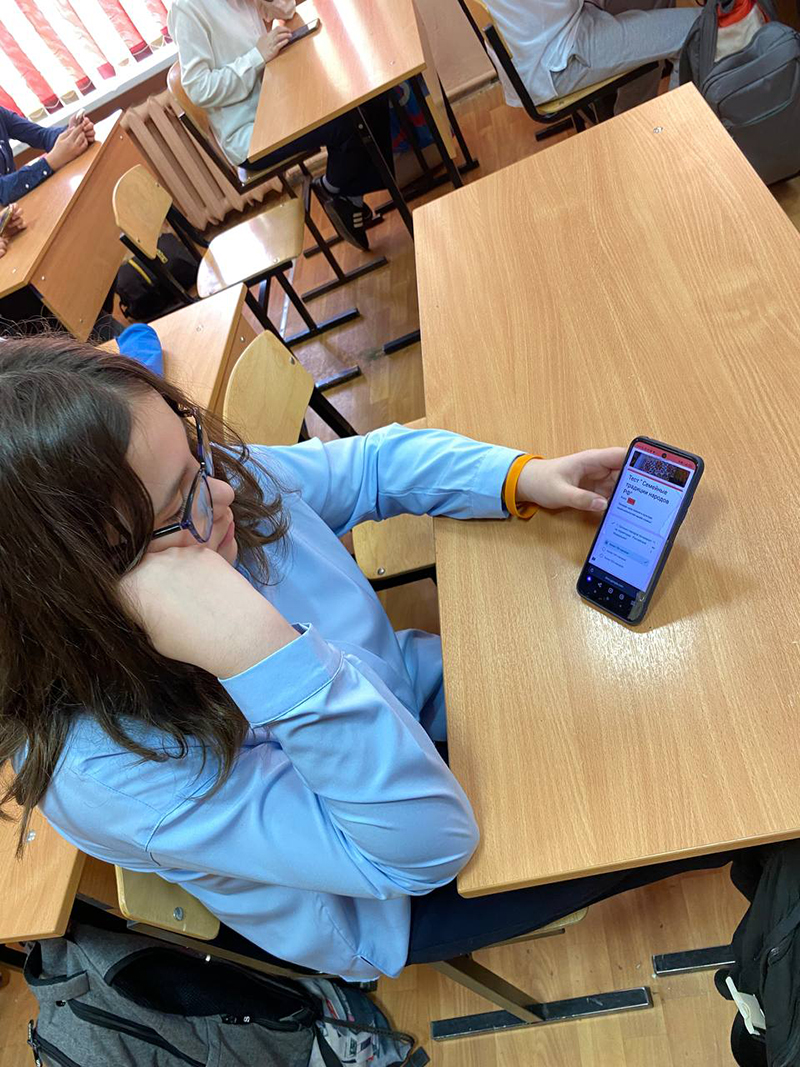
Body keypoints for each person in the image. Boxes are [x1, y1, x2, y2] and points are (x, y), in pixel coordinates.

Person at [0, 335, 734, 980]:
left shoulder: (199, 489)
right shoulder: (105, 771)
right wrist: (258, 653)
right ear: (73, 596)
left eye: (197, 457)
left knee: (667, 708)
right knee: (697, 810)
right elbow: (430, 847)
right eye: (177, 507)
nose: (222, 490)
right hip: (388, 887)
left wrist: (517, 477)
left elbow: (371, 467)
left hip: (407, 696)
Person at [168, 0, 394, 252]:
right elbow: (199, 89)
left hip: (279, 97)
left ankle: (347, 194)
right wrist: (256, 57)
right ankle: (338, 191)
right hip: (250, 133)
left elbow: (286, 9)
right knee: (348, 121)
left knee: (367, 93)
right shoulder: (186, 8)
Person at [482, 0, 700, 116]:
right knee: (697, 30)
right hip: (556, 62)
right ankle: (676, 138)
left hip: (541, 43)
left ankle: (634, 121)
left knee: (650, 6)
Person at [0, 106, 94, 207]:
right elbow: (3, 191)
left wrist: (70, 134)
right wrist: (51, 161)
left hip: (18, 206)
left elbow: (41, 135)